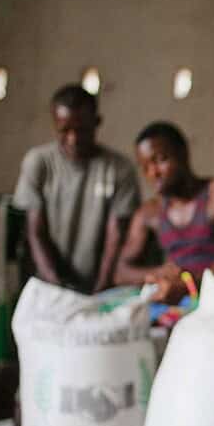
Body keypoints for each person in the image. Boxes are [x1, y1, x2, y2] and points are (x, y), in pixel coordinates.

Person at [13, 85, 140, 293]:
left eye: (82, 130)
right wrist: (54, 285)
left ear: (97, 123)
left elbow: (115, 236)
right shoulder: (39, 163)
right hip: (48, 284)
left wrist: (100, 288)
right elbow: (35, 231)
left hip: (101, 285)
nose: (73, 138)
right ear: (55, 125)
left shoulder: (119, 169)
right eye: (65, 131)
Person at [114, 122, 214, 301]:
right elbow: (121, 272)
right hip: (176, 303)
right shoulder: (150, 212)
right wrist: (159, 273)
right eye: (145, 167)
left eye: (160, 160)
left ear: (183, 153)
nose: (153, 173)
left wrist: (190, 284)